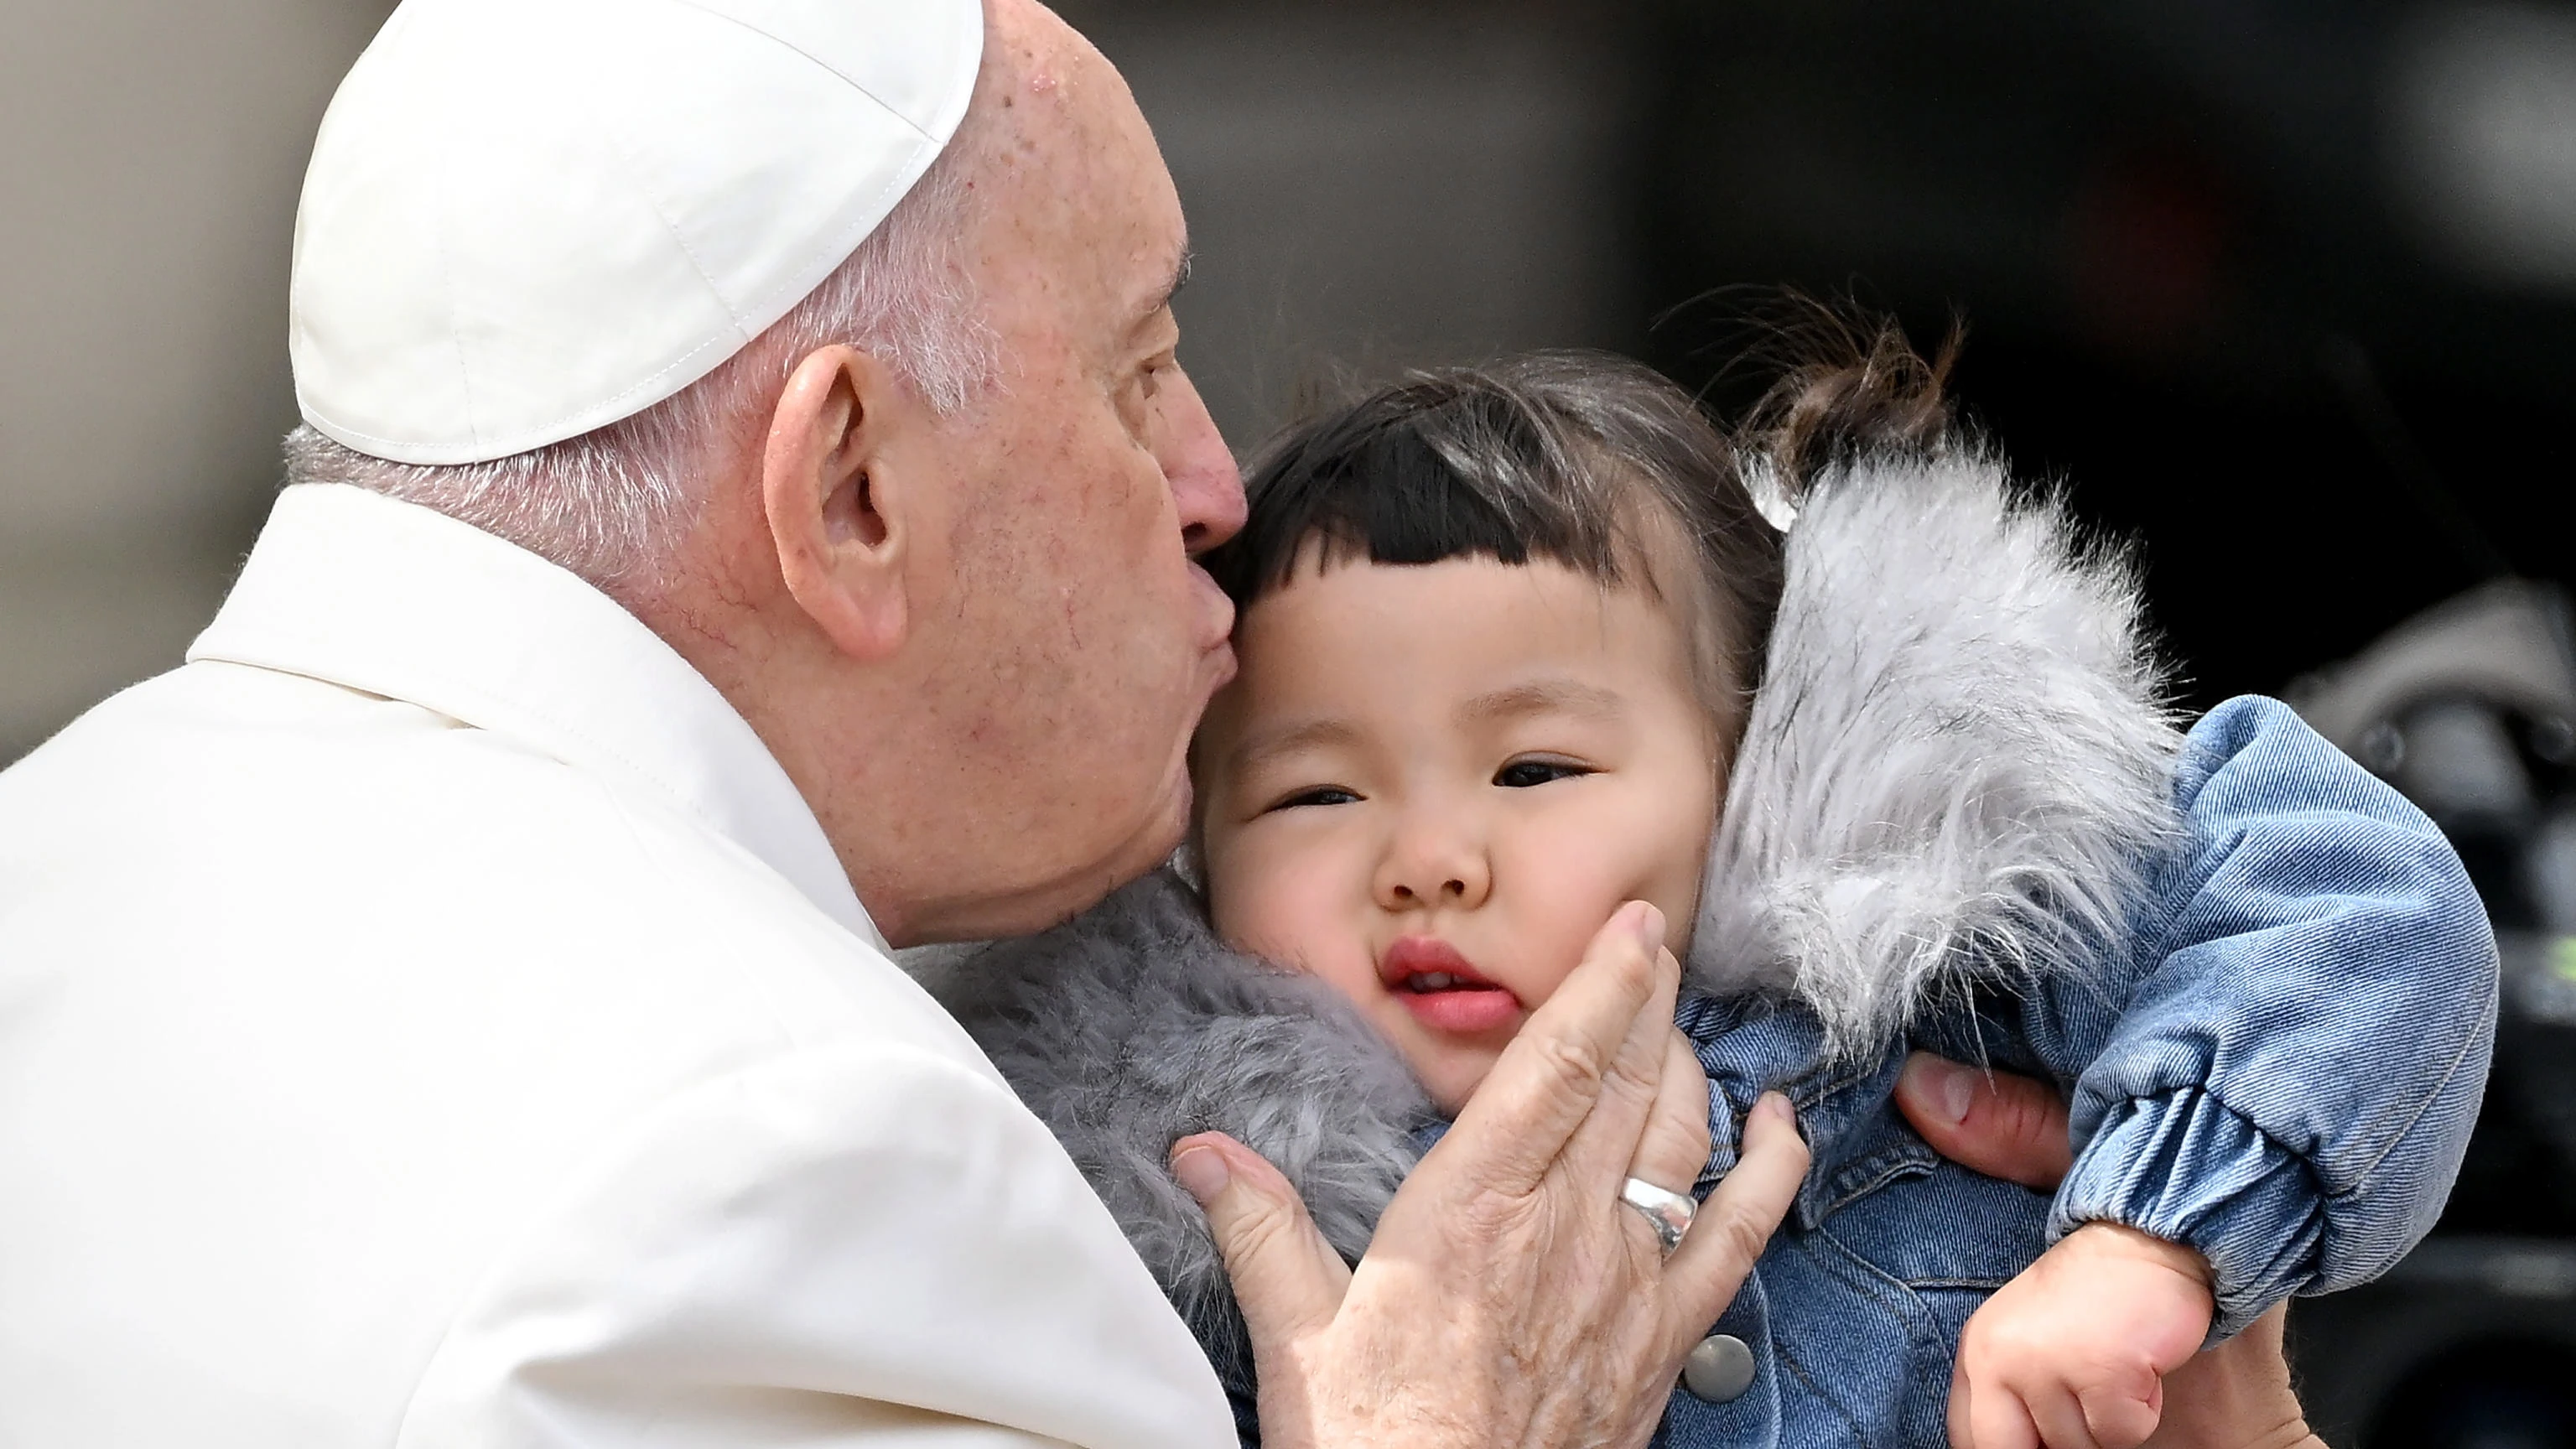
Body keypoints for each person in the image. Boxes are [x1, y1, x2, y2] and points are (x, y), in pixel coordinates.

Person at [0, 0, 2332, 1441]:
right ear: (845, 491)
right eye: (1136, 371)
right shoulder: (796, 1177)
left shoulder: (60, 845)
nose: (1220, 489)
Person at [946, 335, 2498, 1447]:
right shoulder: (1197, 1243)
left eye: (1536, 770)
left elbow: (2354, 907)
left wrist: (2147, 1251)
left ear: (1748, 773)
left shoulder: (1940, 995)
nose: (1429, 856)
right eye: (1315, 791)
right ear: (1200, 849)